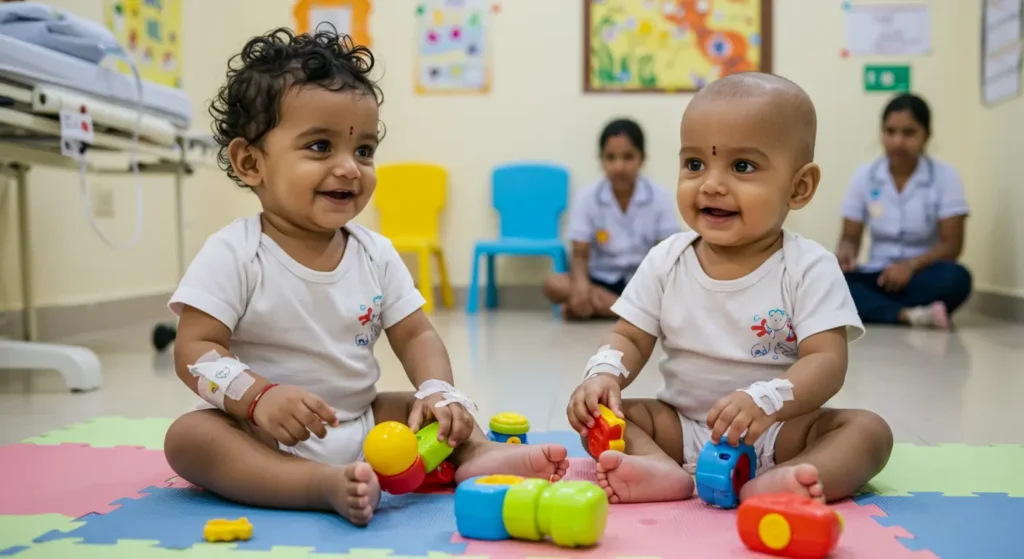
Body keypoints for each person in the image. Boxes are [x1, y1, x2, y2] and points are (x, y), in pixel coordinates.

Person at [162, 27, 568, 527]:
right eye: (319, 146)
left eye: (364, 150)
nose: (350, 169)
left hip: (366, 423)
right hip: (265, 433)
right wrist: (257, 396)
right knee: (189, 438)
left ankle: (478, 456)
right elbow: (195, 350)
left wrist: (438, 390)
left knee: (425, 410)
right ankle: (313, 486)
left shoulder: (374, 253)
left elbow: (416, 332)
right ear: (251, 163)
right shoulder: (235, 252)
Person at [566, 73, 893, 505]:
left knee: (869, 432)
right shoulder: (667, 258)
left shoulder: (808, 265)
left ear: (799, 187)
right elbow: (629, 335)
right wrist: (604, 373)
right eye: (695, 164)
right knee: (606, 419)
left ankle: (786, 480)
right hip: (680, 428)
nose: (711, 184)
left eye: (742, 167)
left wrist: (767, 400)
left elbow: (827, 361)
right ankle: (662, 472)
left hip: (778, 432)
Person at [837, 94, 971, 329]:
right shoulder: (864, 175)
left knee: (958, 278)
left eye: (908, 133)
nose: (898, 141)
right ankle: (908, 315)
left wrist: (909, 266)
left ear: (926, 136)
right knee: (832, 282)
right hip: (878, 275)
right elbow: (850, 237)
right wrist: (845, 254)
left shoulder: (945, 176)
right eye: (890, 132)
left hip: (923, 274)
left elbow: (952, 245)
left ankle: (875, 309)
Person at [544, 119, 681, 320]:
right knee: (554, 284)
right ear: (601, 160)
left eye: (628, 157)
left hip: (643, 281)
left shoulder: (660, 197)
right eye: (611, 158)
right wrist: (581, 288)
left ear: (642, 158)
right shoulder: (587, 197)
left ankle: (607, 309)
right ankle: (633, 313)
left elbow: (668, 254)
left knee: (679, 292)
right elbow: (580, 255)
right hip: (600, 281)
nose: (619, 166)